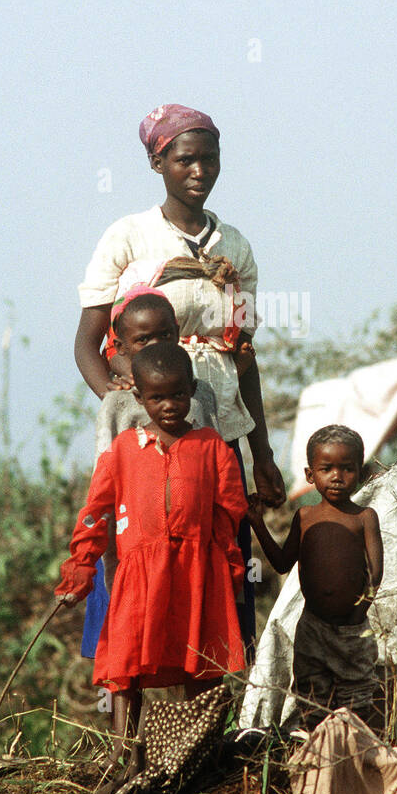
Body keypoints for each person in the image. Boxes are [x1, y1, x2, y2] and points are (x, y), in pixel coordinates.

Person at [73, 103, 286, 652]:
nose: (200, 172)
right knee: (138, 552)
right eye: (185, 160)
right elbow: (86, 344)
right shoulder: (129, 237)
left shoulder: (233, 247)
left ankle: (217, 701)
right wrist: (129, 405)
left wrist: (260, 454)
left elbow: (244, 357)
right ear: (157, 161)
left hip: (218, 423)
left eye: (209, 160)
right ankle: (128, 695)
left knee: (219, 547)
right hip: (144, 428)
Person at [55, 342, 248, 772]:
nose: (169, 405)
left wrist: (229, 567)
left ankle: (204, 747)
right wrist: (80, 569)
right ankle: (126, 752)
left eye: (178, 394)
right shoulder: (123, 450)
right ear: (139, 398)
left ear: (192, 391)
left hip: (198, 571)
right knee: (127, 660)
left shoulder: (212, 446)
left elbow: (229, 511)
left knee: (202, 659)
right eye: (157, 397)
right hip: (139, 574)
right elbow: (95, 512)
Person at [79, 286, 219, 661]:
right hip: (130, 541)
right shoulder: (119, 402)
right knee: (122, 637)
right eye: (143, 340)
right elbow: (104, 483)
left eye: (165, 336)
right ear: (121, 348)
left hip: (186, 542)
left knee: (186, 639)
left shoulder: (198, 395)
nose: (156, 345)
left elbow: (213, 465)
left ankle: (193, 719)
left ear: (178, 334)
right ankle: (121, 720)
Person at [247, 424, 383, 726]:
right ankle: (315, 759)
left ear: (359, 473)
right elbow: (283, 563)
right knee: (311, 700)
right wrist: (257, 523)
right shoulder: (305, 517)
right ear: (311, 475)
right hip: (312, 627)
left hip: (353, 631)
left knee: (357, 701)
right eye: (327, 468)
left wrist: (360, 610)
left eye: (347, 468)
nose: (337, 476)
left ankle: (352, 760)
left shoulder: (364, 517)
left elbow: (375, 573)